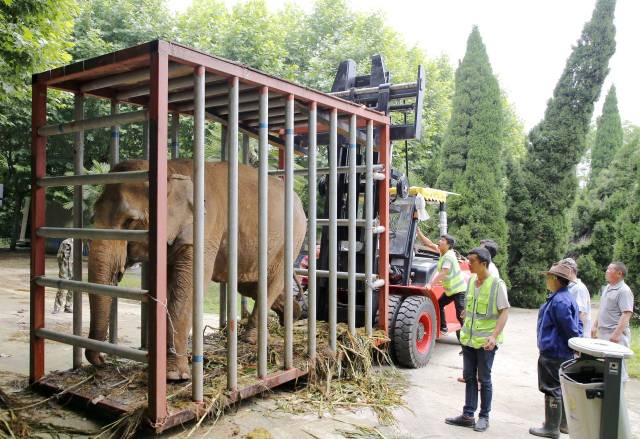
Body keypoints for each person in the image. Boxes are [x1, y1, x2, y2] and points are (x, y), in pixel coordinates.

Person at [444, 247, 509, 432]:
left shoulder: (497, 284)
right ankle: (467, 415)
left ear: (483, 263)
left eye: (472, 261)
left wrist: (494, 336)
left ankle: (484, 416)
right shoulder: (472, 280)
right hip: (469, 340)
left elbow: (504, 311)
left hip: (485, 343)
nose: (469, 264)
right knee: (469, 376)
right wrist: (466, 313)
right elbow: (471, 305)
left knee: (484, 379)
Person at [530, 263, 581, 438]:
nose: (547, 280)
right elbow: (576, 325)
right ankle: (562, 424)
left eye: (549, 277)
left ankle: (551, 428)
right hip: (557, 350)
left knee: (551, 388)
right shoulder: (563, 297)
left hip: (554, 351)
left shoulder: (560, 301)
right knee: (559, 387)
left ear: (556, 280)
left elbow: (569, 328)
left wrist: (576, 343)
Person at [418, 231, 467, 338]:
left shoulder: (449, 256)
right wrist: (418, 232)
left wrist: (431, 284)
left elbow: (444, 272)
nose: (439, 241)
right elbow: (429, 244)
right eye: (440, 239)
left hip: (459, 290)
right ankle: (443, 327)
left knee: (460, 315)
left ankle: (468, 338)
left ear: (448, 245)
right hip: (450, 290)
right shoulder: (442, 252)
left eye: (442, 240)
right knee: (439, 305)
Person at [591, 261, 634, 381]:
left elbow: (626, 314)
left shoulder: (624, 291)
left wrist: (616, 334)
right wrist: (595, 325)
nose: (606, 271)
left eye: (609, 269)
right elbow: (602, 308)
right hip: (604, 334)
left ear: (619, 273)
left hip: (615, 336)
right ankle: (609, 396)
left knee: (618, 368)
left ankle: (618, 396)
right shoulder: (608, 288)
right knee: (607, 367)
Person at [558, 257, 592, 338]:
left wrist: (576, 337)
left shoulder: (579, 288)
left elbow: (581, 314)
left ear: (571, 270)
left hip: (578, 337)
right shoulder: (568, 287)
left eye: (563, 269)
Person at [53, 238, 74, 314]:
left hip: (74, 269)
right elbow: (59, 256)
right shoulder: (65, 242)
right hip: (65, 268)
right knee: (61, 288)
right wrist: (61, 267)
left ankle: (68, 307)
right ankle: (57, 307)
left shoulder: (79, 243)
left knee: (72, 288)